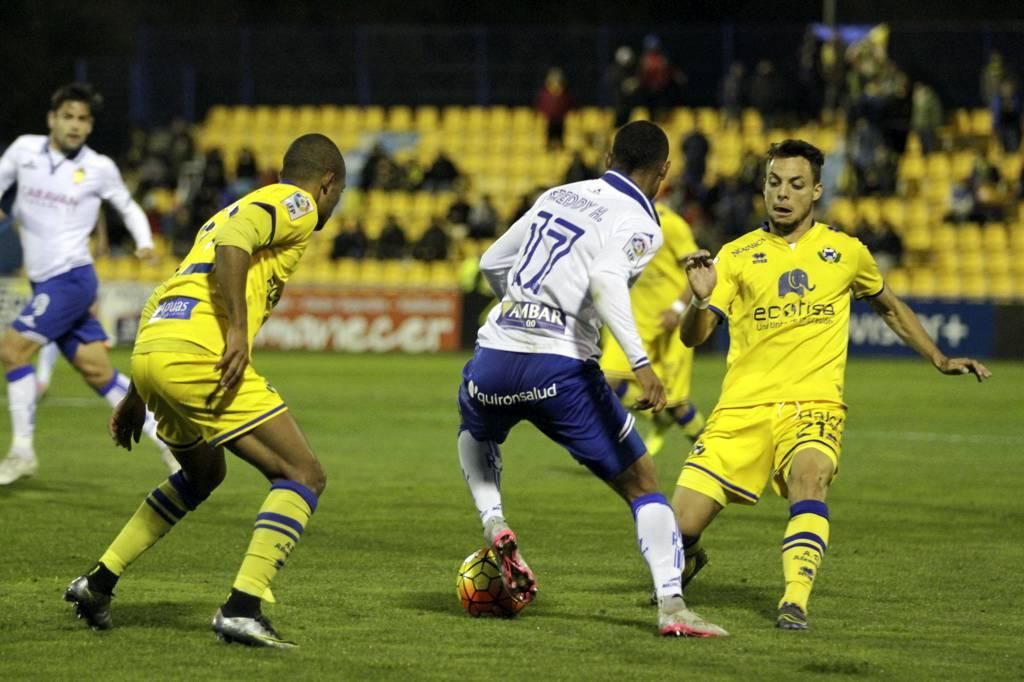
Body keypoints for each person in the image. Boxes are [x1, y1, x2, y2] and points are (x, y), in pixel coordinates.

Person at [673, 139, 992, 631]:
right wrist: (698, 300)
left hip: (814, 404)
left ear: (816, 190)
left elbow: (890, 306)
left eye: (796, 185)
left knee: (811, 476)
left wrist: (938, 357)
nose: (783, 193)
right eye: (774, 183)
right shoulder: (735, 255)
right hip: (742, 410)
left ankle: (794, 601)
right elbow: (695, 338)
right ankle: (691, 556)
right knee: (678, 527)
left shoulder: (845, 251)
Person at [63, 133, 346, 648]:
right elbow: (236, 241)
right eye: (337, 193)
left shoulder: (226, 210)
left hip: (157, 348)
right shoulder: (295, 203)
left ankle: (97, 583)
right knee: (302, 474)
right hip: (200, 354)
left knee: (203, 473)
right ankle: (244, 606)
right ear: (327, 182)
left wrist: (136, 393)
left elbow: (165, 291)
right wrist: (237, 329)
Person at [456, 121, 727, 638]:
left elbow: (493, 261)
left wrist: (517, 309)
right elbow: (605, 280)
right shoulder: (643, 222)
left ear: (608, 155)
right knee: (644, 484)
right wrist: (640, 362)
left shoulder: (560, 192)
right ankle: (673, 608)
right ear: (664, 172)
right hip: (560, 366)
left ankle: (494, 519)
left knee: (477, 432)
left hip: (495, 351)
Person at [0, 82, 178, 484]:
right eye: (68, 116)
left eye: (82, 119)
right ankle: (173, 443)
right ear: (52, 119)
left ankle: (22, 451)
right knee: (97, 372)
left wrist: (146, 242)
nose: (75, 125)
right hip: (45, 282)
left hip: (72, 278)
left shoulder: (98, 167)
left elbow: (127, 206)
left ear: (90, 125)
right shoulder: (24, 151)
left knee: (13, 350)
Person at [601, 202, 705, 456]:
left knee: (677, 406)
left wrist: (678, 308)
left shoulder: (671, 223)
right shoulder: (616, 218)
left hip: (669, 326)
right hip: (633, 322)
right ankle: (656, 416)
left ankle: (713, 454)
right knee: (606, 380)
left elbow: (697, 271)